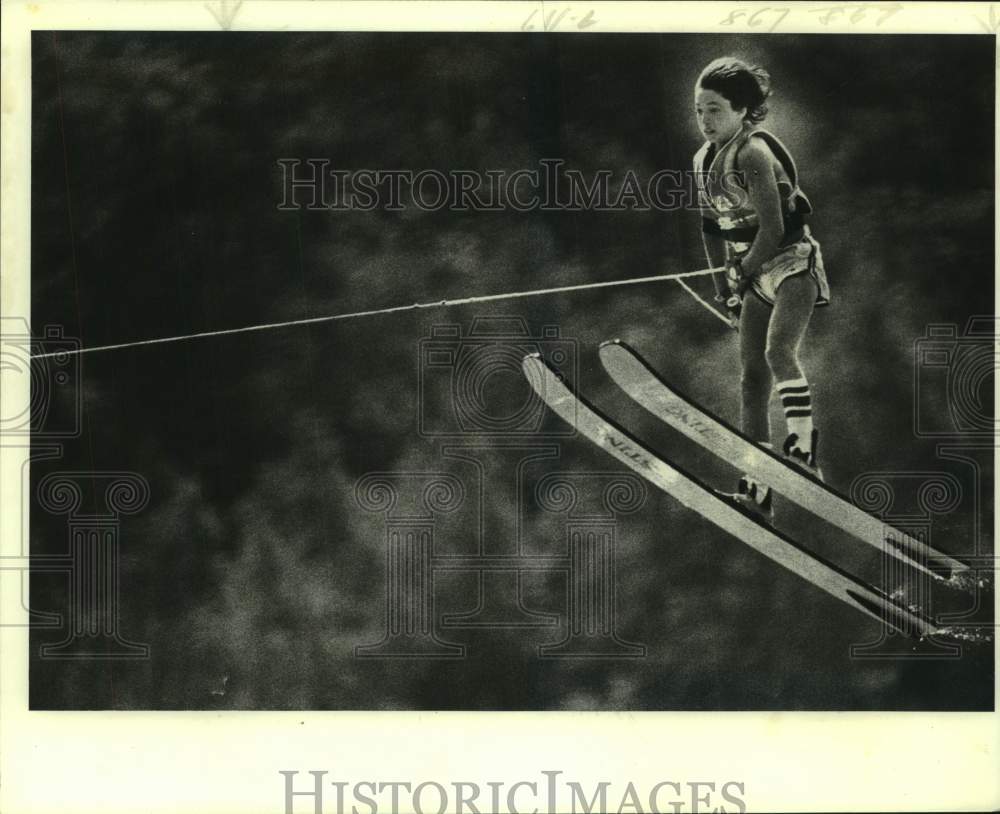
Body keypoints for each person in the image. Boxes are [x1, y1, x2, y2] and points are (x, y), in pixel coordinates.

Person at [693, 56, 830, 516]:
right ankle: (757, 490)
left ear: (741, 110)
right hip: (752, 274)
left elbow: (772, 230)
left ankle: (804, 454)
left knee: (778, 353)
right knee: (752, 381)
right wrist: (722, 287)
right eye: (699, 111)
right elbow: (712, 230)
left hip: (792, 265)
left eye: (714, 109)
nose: (705, 120)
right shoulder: (703, 160)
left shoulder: (753, 153)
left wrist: (742, 272)